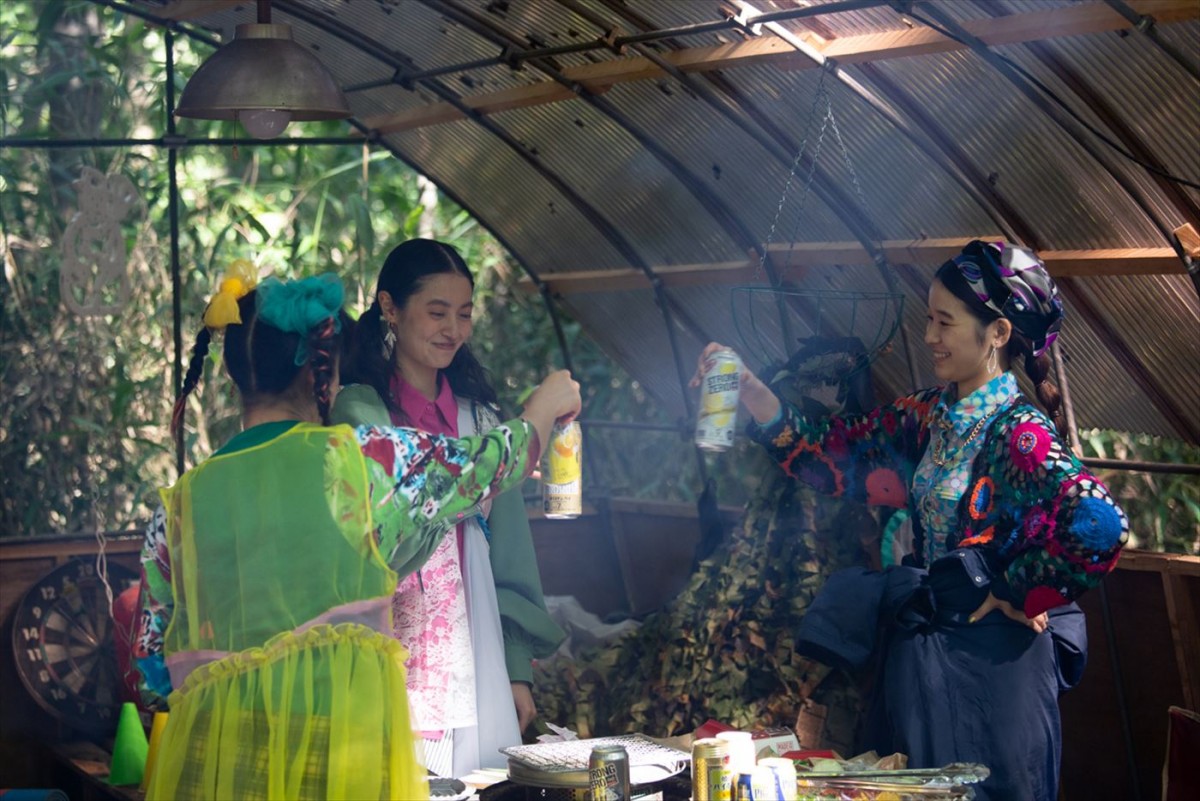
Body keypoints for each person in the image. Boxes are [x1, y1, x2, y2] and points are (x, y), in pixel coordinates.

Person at [695, 240, 1127, 801]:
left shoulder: (1023, 434)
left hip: (995, 679)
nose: (929, 337)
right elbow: (833, 457)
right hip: (921, 665)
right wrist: (751, 392)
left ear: (996, 333)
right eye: (929, 318)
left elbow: (1099, 524)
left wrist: (1018, 590)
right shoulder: (926, 414)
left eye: (945, 322)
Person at [134, 267, 580, 800]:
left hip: (217, 767)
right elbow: (488, 463)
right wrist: (544, 408)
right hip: (341, 757)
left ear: (236, 376)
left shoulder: (179, 504)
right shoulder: (360, 464)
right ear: (320, 376)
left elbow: (149, 667)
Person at [334, 238, 565, 776]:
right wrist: (536, 419)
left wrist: (515, 666)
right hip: (389, 647)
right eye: (437, 312)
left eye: (463, 315)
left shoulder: (482, 420)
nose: (453, 331)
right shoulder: (361, 413)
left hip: (479, 643)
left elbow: (509, 554)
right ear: (390, 307)